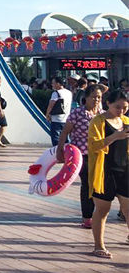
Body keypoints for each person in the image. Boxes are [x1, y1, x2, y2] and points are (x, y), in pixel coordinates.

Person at [86, 90, 129, 259]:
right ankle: (99, 245)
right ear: (108, 104)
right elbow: (93, 145)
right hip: (104, 170)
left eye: (125, 107)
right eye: (117, 107)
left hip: (124, 170)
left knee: (128, 207)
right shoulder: (98, 121)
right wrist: (115, 137)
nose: (121, 111)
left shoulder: (126, 121)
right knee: (103, 209)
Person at [57, 85, 104, 228]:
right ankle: (87, 216)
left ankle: (98, 213)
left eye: (99, 97)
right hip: (82, 155)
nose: (96, 100)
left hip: (99, 155)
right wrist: (60, 150)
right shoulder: (77, 113)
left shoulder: (103, 114)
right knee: (87, 184)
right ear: (86, 97)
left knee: (99, 185)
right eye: (93, 97)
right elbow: (65, 132)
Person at [46, 76, 72, 146]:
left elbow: (51, 105)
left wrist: (47, 115)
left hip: (56, 119)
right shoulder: (69, 92)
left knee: (56, 140)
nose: (52, 85)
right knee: (66, 140)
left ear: (58, 84)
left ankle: (57, 152)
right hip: (66, 119)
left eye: (53, 83)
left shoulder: (56, 93)